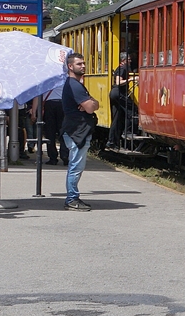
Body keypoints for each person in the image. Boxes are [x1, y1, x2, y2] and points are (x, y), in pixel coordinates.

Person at [61, 53, 100, 211]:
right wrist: (91, 103)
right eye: (79, 64)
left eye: (84, 63)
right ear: (70, 67)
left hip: (78, 131)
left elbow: (92, 104)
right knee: (75, 167)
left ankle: (73, 197)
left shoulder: (75, 84)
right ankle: (71, 199)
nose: (83, 66)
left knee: (76, 166)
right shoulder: (74, 85)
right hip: (77, 132)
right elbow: (91, 107)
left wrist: (91, 102)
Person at [108, 52, 133, 148]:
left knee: (116, 118)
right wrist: (131, 80)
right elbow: (119, 82)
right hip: (119, 93)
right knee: (132, 111)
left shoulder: (119, 68)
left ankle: (111, 142)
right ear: (123, 60)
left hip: (114, 93)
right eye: (129, 59)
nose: (130, 61)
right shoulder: (122, 68)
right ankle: (128, 133)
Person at [40, 88, 64, 165]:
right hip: (62, 104)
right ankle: (65, 155)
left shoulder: (46, 78)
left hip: (49, 104)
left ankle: (53, 158)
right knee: (63, 131)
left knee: (50, 132)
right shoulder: (64, 77)